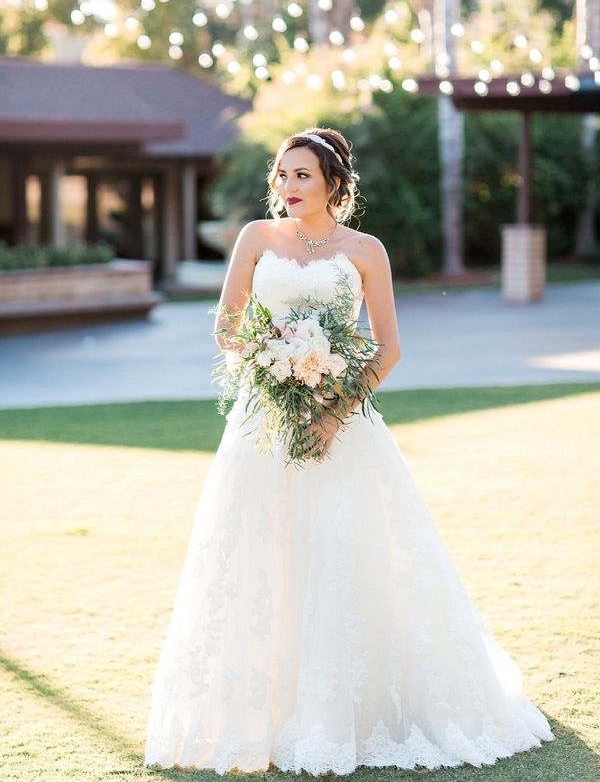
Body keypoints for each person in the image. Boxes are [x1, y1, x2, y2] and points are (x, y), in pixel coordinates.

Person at [144, 127, 555, 774]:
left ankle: (351, 711)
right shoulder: (256, 238)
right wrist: (271, 352)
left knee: (346, 554)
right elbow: (226, 326)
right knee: (261, 551)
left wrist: (334, 412)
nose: (287, 187)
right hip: (263, 428)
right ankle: (262, 714)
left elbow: (387, 348)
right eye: (281, 175)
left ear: (334, 183)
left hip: (344, 426)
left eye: (302, 175)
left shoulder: (365, 251)